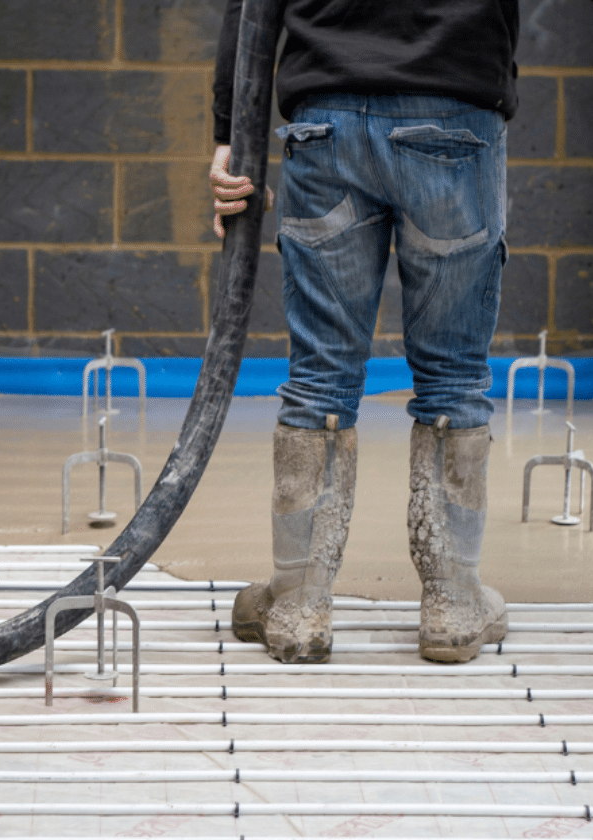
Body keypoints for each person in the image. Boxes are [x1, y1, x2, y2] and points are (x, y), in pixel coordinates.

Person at [211, 0, 519, 665]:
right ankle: (452, 601)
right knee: (454, 375)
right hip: (452, 114)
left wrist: (227, 136)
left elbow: (251, 10)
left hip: (328, 121)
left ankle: (299, 604)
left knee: (320, 374)